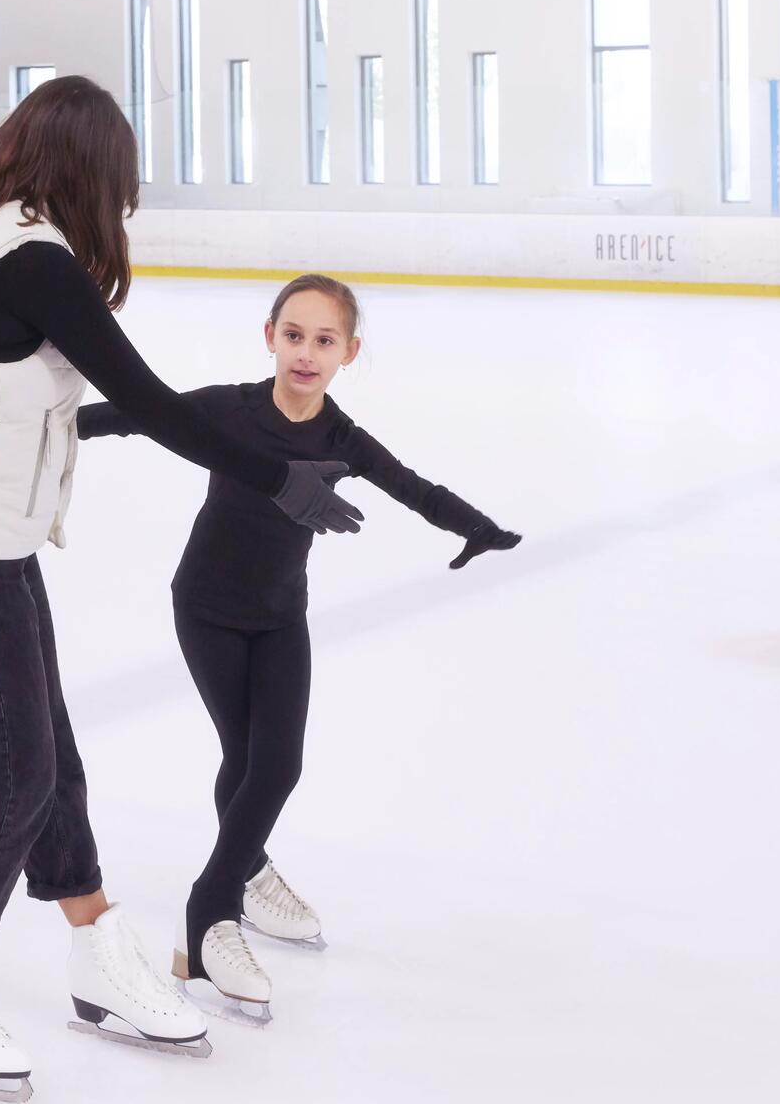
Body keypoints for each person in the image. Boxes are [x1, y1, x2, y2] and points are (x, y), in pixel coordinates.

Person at [0, 76, 364, 1100]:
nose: (121, 210)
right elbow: (145, 399)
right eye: (120, 188)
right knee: (11, 768)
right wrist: (278, 474)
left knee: (50, 753)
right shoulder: (36, 262)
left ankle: (95, 946)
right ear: (88, 174)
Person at [75, 273, 522, 1026]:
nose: (306, 353)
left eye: (324, 340)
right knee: (251, 760)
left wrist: (475, 525)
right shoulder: (230, 408)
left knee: (270, 763)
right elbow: (134, 416)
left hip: (283, 617)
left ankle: (239, 877)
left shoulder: (341, 438)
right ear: (270, 336)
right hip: (208, 611)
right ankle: (209, 917)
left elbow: (411, 485)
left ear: (349, 351)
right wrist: (44, 425)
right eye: (294, 335)